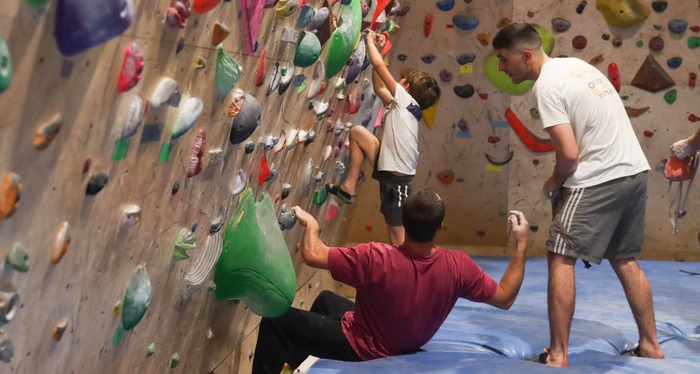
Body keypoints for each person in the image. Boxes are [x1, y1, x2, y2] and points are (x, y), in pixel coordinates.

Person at [493, 22, 665, 367]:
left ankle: (557, 355)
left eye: (503, 59)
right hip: (633, 171)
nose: (500, 68)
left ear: (525, 56)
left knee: (560, 255)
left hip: (598, 179)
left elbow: (569, 155)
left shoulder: (546, 86)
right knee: (625, 259)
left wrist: (554, 182)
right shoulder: (577, 66)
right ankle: (650, 345)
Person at [252, 189, 529, 373]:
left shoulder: (376, 257)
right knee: (326, 300)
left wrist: (312, 224)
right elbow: (505, 297)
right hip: (403, 341)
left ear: (404, 224)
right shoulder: (458, 266)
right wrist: (521, 244)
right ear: (440, 227)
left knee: (276, 319)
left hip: (363, 348)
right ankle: (290, 366)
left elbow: (313, 254)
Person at [326, 29, 441, 245]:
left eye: (402, 80)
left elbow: (379, 67)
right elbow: (379, 87)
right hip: (388, 163)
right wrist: (379, 50)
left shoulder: (405, 102)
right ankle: (348, 188)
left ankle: (403, 270)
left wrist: (369, 41)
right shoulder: (405, 107)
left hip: (398, 180)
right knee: (359, 134)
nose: (398, 81)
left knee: (397, 235)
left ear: (405, 88)